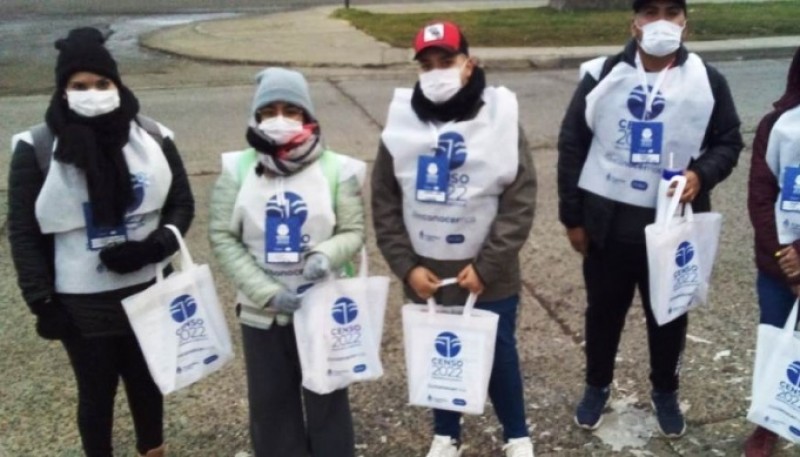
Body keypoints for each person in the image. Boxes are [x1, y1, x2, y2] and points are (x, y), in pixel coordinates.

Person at [557, 0, 742, 438]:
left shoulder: (706, 80)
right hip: (608, 228)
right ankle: (596, 386)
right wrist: (573, 218)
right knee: (603, 314)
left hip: (672, 227)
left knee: (669, 316)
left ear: (686, 25)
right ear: (634, 24)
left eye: (672, 12)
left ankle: (665, 391)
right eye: (650, 11)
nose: (661, 21)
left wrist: (701, 174)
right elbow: (571, 146)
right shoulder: (602, 76)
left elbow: (729, 141)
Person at [7, 27, 194, 457]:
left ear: (117, 84)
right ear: (63, 91)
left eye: (102, 84)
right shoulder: (36, 147)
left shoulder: (152, 137)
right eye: (80, 86)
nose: (93, 92)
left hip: (147, 287)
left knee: (148, 384)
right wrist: (41, 300)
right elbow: (23, 231)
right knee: (96, 394)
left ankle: (153, 450)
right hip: (82, 303)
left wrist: (155, 247)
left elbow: (180, 204)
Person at [372, 21, 537, 457]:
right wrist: (406, 267)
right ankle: (446, 434)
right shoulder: (402, 124)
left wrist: (488, 266)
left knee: (499, 354)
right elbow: (385, 203)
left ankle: (516, 434)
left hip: (488, 273)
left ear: (469, 64)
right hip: (427, 272)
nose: (437, 72)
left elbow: (519, 200)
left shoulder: (499, 117)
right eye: (427, 65)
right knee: (437, 355)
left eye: (446, 61)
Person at [208, 67, 366, 457]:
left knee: (326, 397)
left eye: (291, 110)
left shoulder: (335, 168)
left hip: (321, 307)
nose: (280, 119)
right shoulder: (238, 168)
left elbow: (353, 230)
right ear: (256, 117)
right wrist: (266, 291)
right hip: (263, 313)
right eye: (269, 111)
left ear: (307, 117)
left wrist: (325, 255)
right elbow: (223, 236)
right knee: (271, 403)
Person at [745, 47, 800, 457]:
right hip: (779, 267)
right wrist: (789, 258)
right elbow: (761, 198)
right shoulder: (776, 126)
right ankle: (767, 423)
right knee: (777, 343)